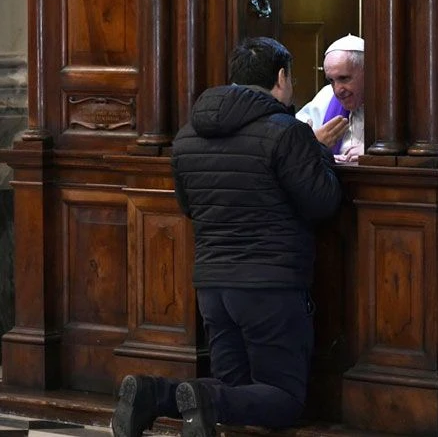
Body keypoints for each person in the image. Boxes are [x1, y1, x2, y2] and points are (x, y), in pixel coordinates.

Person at [111, 37, 343, 437]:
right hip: (271, 285)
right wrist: (317, 150)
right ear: (282, 78)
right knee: (283, 397)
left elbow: (188, 206)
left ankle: (153, 394)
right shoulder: (287, 133)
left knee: (238, 388)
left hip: (213, 286)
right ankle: (203, 399)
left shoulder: (187, 136)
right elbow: (323, 202)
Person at [295, 34, 365, 163]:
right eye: (331, 81)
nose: (337, 90)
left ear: (367, 72)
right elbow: (292, 147)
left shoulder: (389, 102)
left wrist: (374, 154)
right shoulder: (326, 96)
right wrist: (315, 144)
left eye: (344, 78)